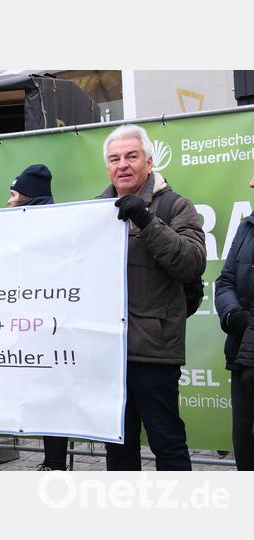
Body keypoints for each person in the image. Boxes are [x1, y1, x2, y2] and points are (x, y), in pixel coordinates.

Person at [97, 124, 205, 470]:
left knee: (167, 444)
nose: (122, 165)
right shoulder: (95, 211)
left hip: (154, 352)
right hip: (109, 353)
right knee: (117, 449)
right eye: (114, 159)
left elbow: (191, 263)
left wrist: (146, 220)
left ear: (149, 161)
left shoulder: (176, 206)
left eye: (131, 156)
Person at [5, 164, 68, 471]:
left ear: (29, 197)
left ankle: (55, 463)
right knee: (42, 397)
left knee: (52, 396)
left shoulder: (52, 226)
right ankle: (51, 461)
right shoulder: (20, 226)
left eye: (14, 194)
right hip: (30, 326)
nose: (9, 201)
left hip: (52, 328)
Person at [213, 175, 254, 471]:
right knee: (245, 438)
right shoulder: (246, 226)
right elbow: (225, 280)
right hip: (243, 352)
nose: (251, 183)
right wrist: (233, 315)